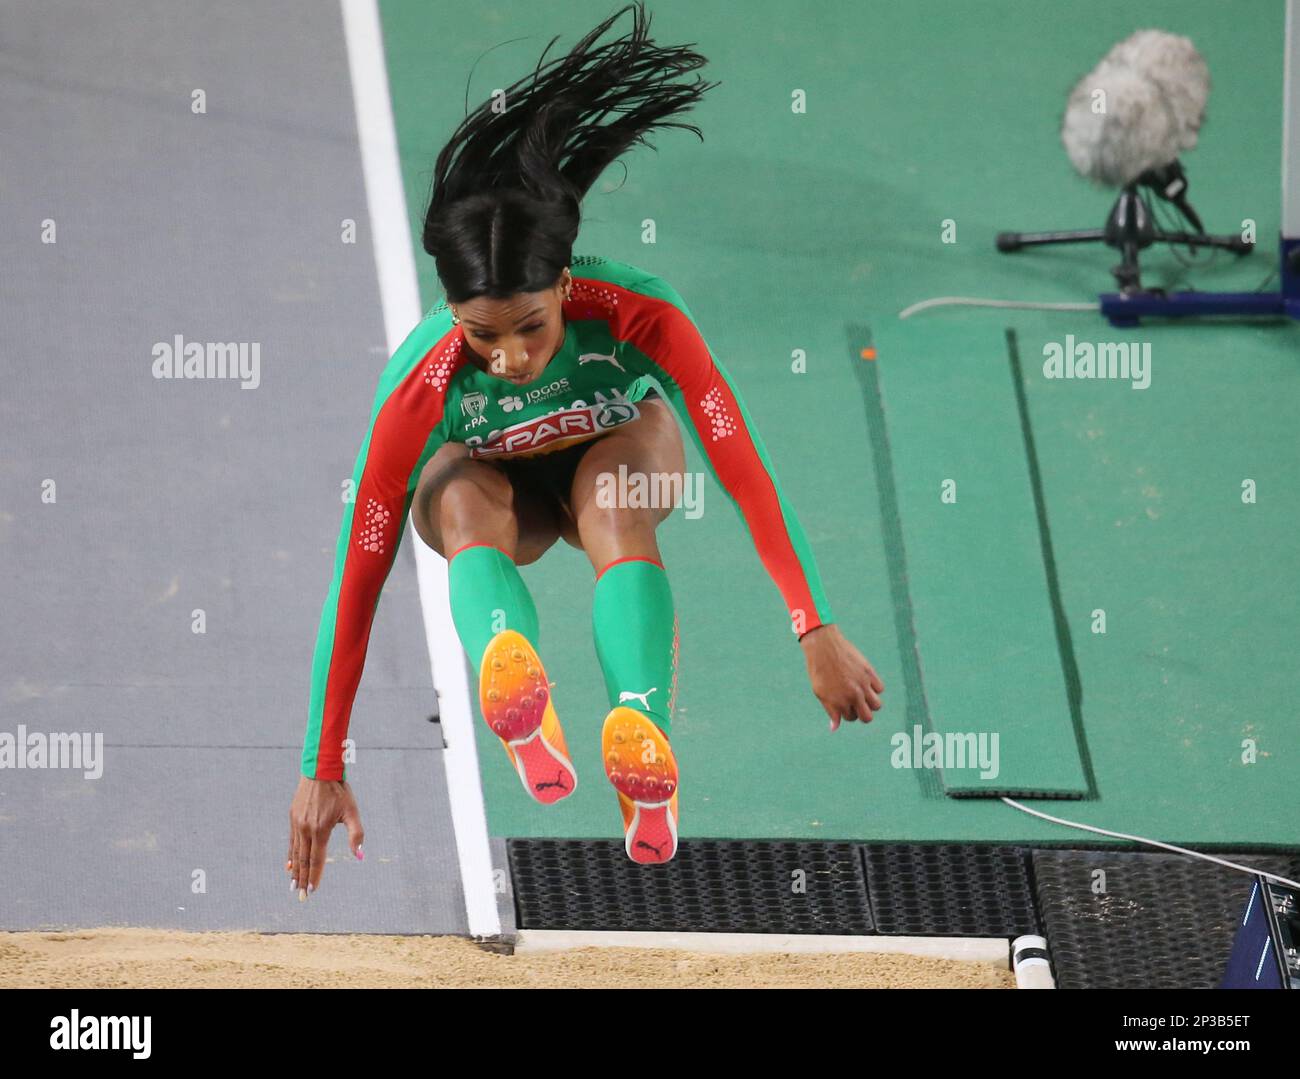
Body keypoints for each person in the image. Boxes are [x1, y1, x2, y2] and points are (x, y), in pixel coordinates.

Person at [288, 1, 884, 896]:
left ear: (565, 282)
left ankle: (641, 743)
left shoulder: (642, 316)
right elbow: (363, 560)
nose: (511, 357)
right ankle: (511, 678)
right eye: (482, 335)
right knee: (452, 494)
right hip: (500, 497)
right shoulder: (424, 383)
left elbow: (741, 467)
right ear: (452, 313)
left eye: (530, 326)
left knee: (611, 497)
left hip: (613, 457)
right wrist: (321, 757)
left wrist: (815, 621)